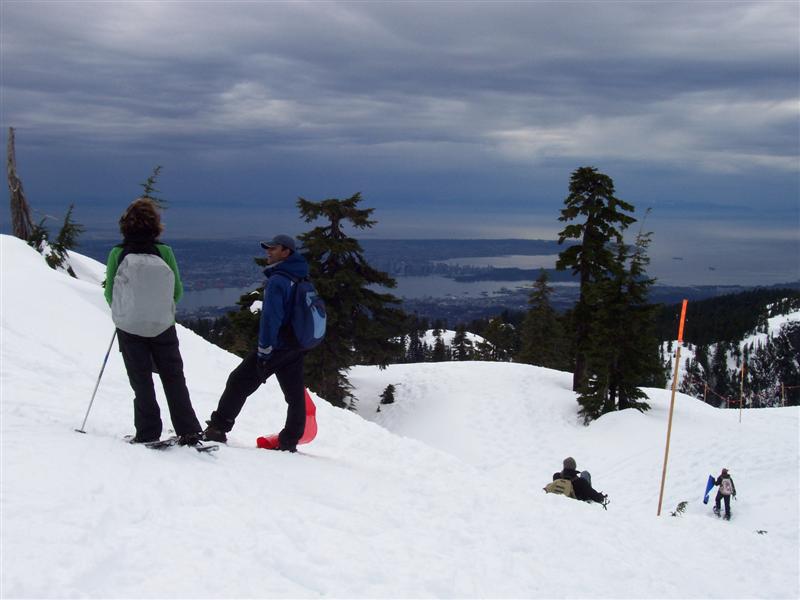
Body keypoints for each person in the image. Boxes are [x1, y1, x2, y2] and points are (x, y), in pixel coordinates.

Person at [105, 198, 202, 445]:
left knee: (141, 380)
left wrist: (125, 313)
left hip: (130, 327)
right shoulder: (164, 252)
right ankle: (188, 430)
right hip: (162, 325)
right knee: (173, 378)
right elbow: (177, 291)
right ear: (156, 225)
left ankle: (148, 431)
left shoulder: (118, 253)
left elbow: (110, 293)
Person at [203, 234, 308, 452]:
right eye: (267, 248)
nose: (268, 252)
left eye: (273, 248)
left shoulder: (279, 280)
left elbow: (271, 318)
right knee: (295, 394)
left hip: (278, 345)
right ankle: (289, 441)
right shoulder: (300, 275)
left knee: (238, 381)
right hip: (296, 343)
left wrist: (264, 350)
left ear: (286, 251)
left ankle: (217, 429)